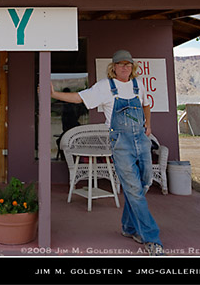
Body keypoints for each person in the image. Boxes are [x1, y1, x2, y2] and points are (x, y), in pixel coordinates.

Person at [50, 50, 165, 256]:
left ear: (132, 67)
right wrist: (53, 94)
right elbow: (79, 98)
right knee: (134, 189)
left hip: (142, 140)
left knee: (144, 184)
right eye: (120, 65)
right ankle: (151, 238)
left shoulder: (138, 85)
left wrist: (148, 124)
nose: (125, 68)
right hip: (121, 144)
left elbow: (146, 104)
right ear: (113, 67)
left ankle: (129, 227)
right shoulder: (105, 86)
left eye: (128, 65)